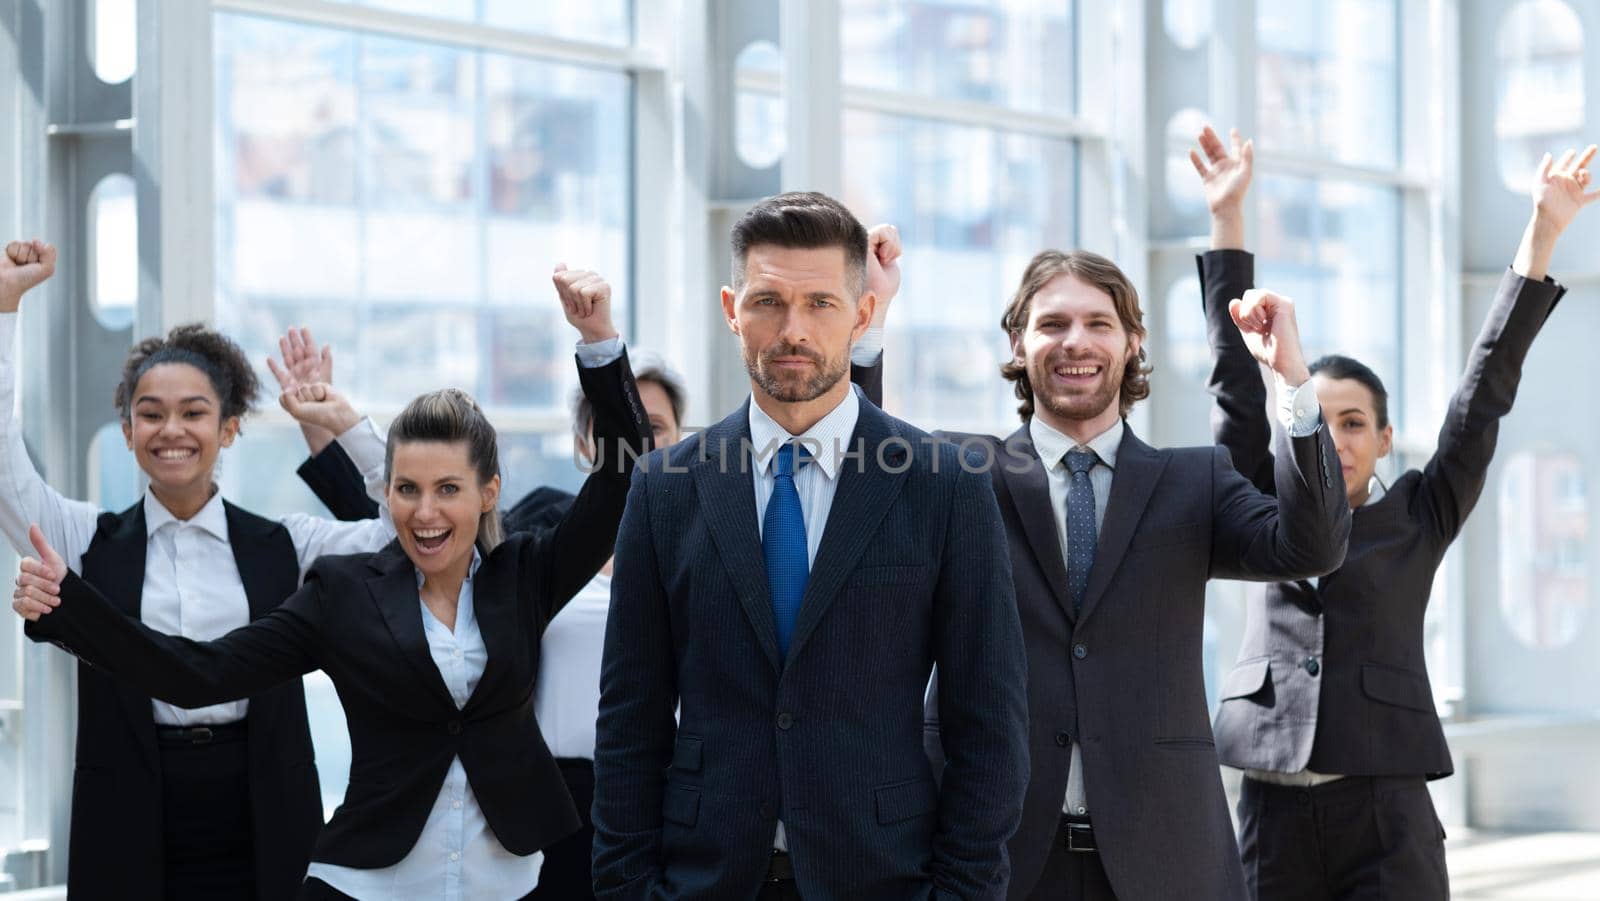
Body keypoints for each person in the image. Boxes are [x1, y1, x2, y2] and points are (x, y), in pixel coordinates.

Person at [279, 240, 901, 900]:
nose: (645, 442)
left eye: (658, 428)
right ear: (586, 443)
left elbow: (840, 476)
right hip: (549, 808)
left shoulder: (722, 527)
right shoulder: (541, 535)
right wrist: (338, 430)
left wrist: (871, 327)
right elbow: (420, 529)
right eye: (622, 428)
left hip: (679, 796)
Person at [13, 265, 651, 899]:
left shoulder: (525, 575)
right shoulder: (343, 592)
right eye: (406, 490)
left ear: (489, 494)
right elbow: (195, 672)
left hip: (505, 880)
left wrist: (598, 341)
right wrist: (68, 611)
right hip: (368, 881)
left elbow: (623, 474)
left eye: (448, 490)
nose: (425, 513)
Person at [864, 235, 1353, 897]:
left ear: (1132, 344)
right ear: (1017, 343)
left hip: (1165, 858)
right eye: (1053, 323)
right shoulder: (963, 472)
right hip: (988, 859)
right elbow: (858, 477)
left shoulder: (1196, 480)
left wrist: (1291, 382)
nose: (1076, 341)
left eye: (1099, 323)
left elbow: (1312, 547)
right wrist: (867, 324)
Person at [1191, 126, 1597, 899]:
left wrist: (1540, 234)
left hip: (1387, 810)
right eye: (1324, 417)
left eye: (1355, 423)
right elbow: (1232, 383)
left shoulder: (1422, 509)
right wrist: (1228, 222)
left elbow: (1484, 396)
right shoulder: (1258, 502)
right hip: (1271, 810)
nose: (1339, 437)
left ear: (1384, 439)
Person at [591, 192, 1028, 899]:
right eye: (768, 301)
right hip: (703, 877)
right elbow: (629, 721)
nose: (792, 329)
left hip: (885, 876)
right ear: (732, 309)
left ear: (861, 314)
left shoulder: (945, 485)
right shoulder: (664, 487)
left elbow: (990, 726)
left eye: (821, 303)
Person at [0, 239, 408, 899]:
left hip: (266, 804)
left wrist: (342, 423)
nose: (172, 430)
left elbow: (406, 536)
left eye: (194, 412)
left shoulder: (289, 545)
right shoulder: (81, 541)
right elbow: (3, 462)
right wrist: (4, 310)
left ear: (230, 429)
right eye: (151, 414)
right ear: (127, 431)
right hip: (128, 806)